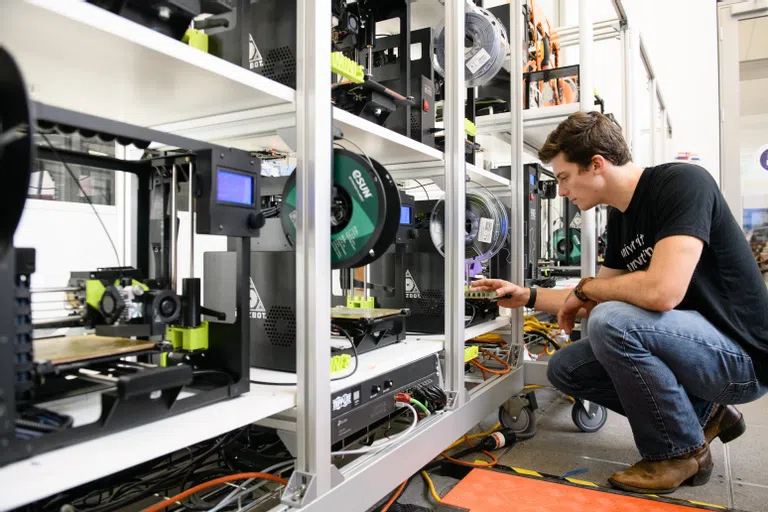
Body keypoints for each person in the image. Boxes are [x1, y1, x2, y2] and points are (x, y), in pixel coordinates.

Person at [472, 111, 768, 494]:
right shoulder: (621, 218)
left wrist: (589, 289)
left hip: (742, 357)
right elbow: (591, 293)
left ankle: (677, 453)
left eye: (564, 177)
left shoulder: (681, 183)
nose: (561, 190)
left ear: (596, 165)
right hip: (696, 348)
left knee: (611, 321)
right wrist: (526, 295)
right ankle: (707, 414)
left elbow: (662, 292)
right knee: (567, 367)